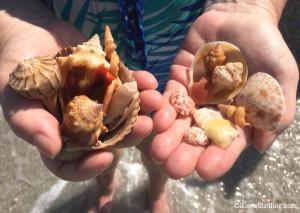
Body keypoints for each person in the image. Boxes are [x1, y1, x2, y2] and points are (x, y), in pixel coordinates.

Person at [0, 0, 298, 213]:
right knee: (100, 150)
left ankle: (156, 190)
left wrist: (250, 5)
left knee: (157, 143)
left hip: (173, 57)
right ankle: (105, 188)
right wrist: (18, 18)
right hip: (70, 33)